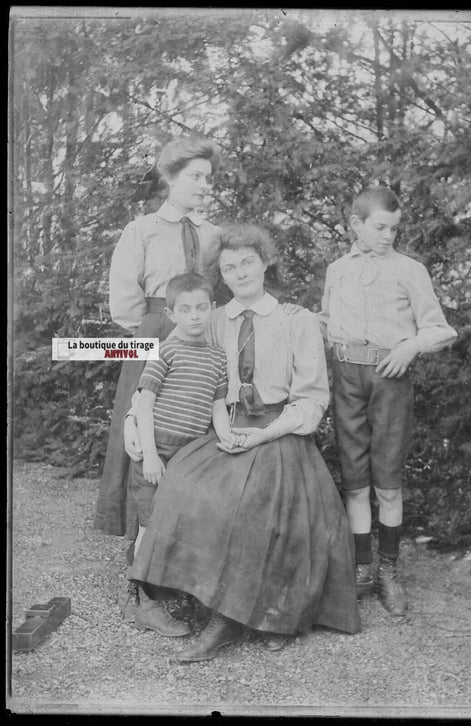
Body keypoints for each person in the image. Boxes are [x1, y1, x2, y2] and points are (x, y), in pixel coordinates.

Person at [126, 224, 361, 661]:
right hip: (225, 429)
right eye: (229, 267)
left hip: (280, 432)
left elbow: (312, 401)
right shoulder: (208, 318)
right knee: (184, 484)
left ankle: (234, 622)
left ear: (264, 262)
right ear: (222, 274)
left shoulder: (298, 320)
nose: (239, 272)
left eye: (247, 262)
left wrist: (265, 433)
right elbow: (163, 367)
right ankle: (168, 596)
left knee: (258, 501)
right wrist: (130, 418)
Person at [94, 135, 222, 617]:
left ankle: (184, 566)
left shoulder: (213, 234)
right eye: (194, 176)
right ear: (169, 177)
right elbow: (124, 302)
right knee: (141, 436)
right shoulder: (142, 229)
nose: (202, 186)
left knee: (190, 439)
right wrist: (152, 333)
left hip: (201, 339)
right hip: (152, 334)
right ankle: (140, 572)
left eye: (208, 178)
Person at [320, 185, 457, 617]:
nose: (388, 236)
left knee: (388, 479)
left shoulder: (409, 270)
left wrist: (409, 347)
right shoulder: (337, 270)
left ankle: (389, 571)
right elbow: (325, 322)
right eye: (380, 227)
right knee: (355, 477)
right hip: (346, 377)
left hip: (389, 378)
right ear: (355, 224)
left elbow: (440, 329)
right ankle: (362, 567)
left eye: (394, 228)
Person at [129, 271, 243, 636]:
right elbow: (144, 405)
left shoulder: (217, 358)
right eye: (185, 309)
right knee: (149, 523)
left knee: (182, 519)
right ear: (172, 314)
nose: (194, 316)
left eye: (201, 308)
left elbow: (217, 407)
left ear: (212, 309)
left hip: (191, 452)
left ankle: (179, 590)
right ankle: (143, 601)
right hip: (156, 446)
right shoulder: (165, 351)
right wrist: (149, 455)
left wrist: (227, 437)